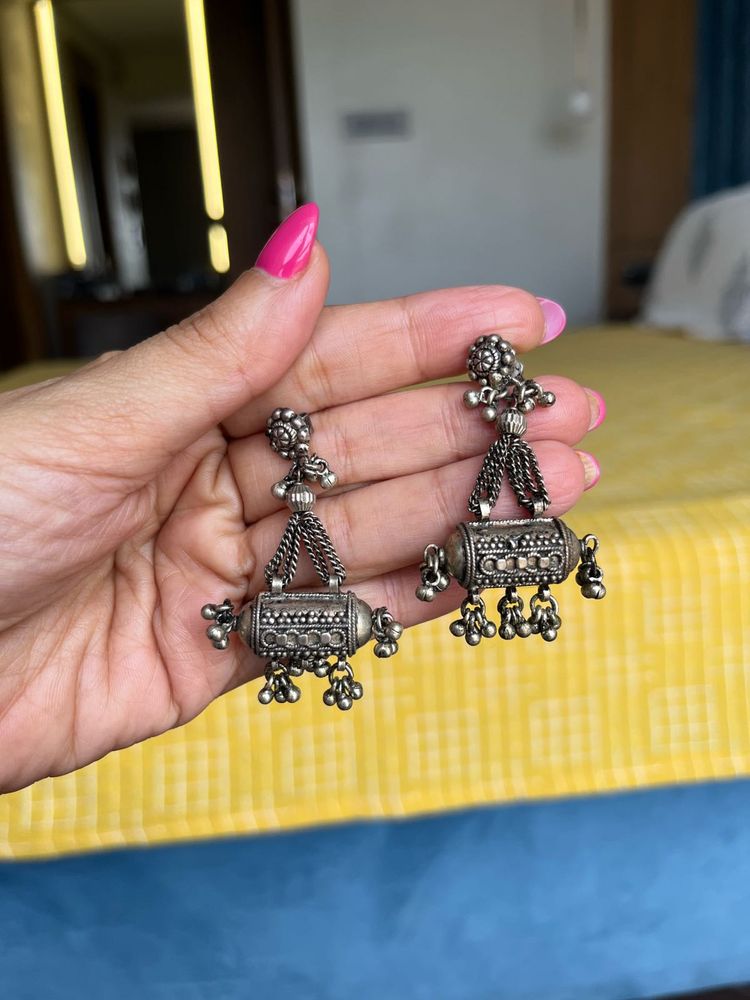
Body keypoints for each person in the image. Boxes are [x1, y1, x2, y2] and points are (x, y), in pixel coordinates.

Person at [0, 204, 602, 793]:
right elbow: (311, 492)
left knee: (485, 505)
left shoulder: (327, 467)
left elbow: (321, 484)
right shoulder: (295, 472)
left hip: (338, 531)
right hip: (306, 538)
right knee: (325, 563)